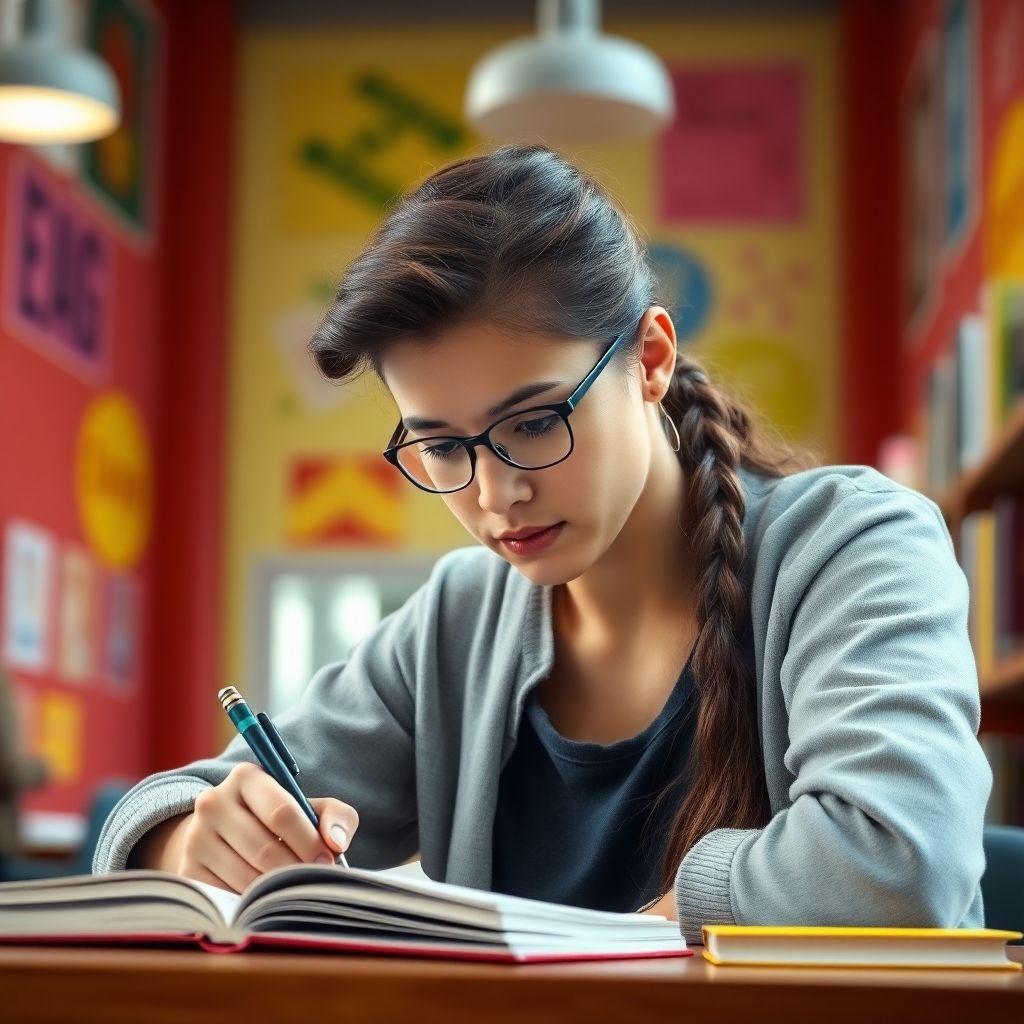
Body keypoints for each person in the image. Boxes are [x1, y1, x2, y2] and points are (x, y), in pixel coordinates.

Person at [93, 145, 990, 942]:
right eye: (441, 444)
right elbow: (160, 810)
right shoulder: (460, 617)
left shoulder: (856, 545)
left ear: (649, 359)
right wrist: (191, 842)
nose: (495, 494)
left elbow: (898, 860)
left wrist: (659, 925)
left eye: (532, 422)